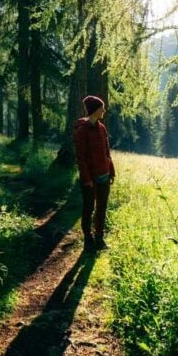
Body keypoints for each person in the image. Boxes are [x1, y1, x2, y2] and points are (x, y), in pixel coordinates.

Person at [73, 94, 115, 251]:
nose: (104, 110)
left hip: (104, 175)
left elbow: (107, 152)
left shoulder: (102, 128)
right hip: (90, 179)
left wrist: (111, 171)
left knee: (101, 207)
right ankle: (88, 238)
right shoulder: (81, 131)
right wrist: (86, 179)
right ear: (95, 110)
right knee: (88, 207)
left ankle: (99, 238)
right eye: (101, 108)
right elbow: (81, 158)